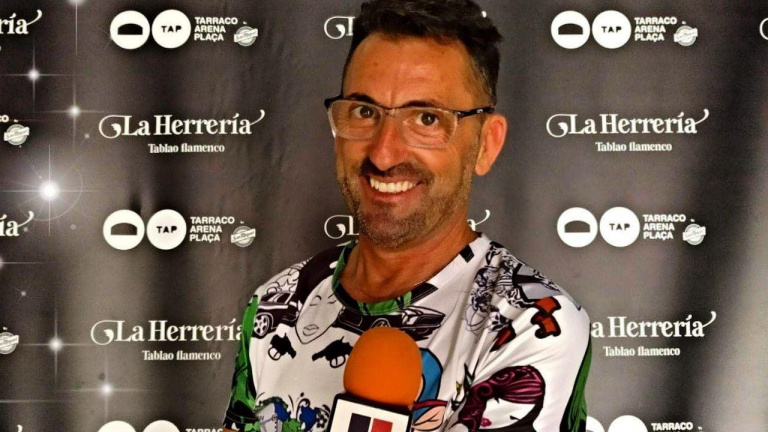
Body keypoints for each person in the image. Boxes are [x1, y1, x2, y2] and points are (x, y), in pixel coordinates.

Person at [223, 1, 591, 431]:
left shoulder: (530, 325)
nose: (384, 153)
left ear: (486, 144)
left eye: (426, 118)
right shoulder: (277, 302)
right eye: (364, 112)